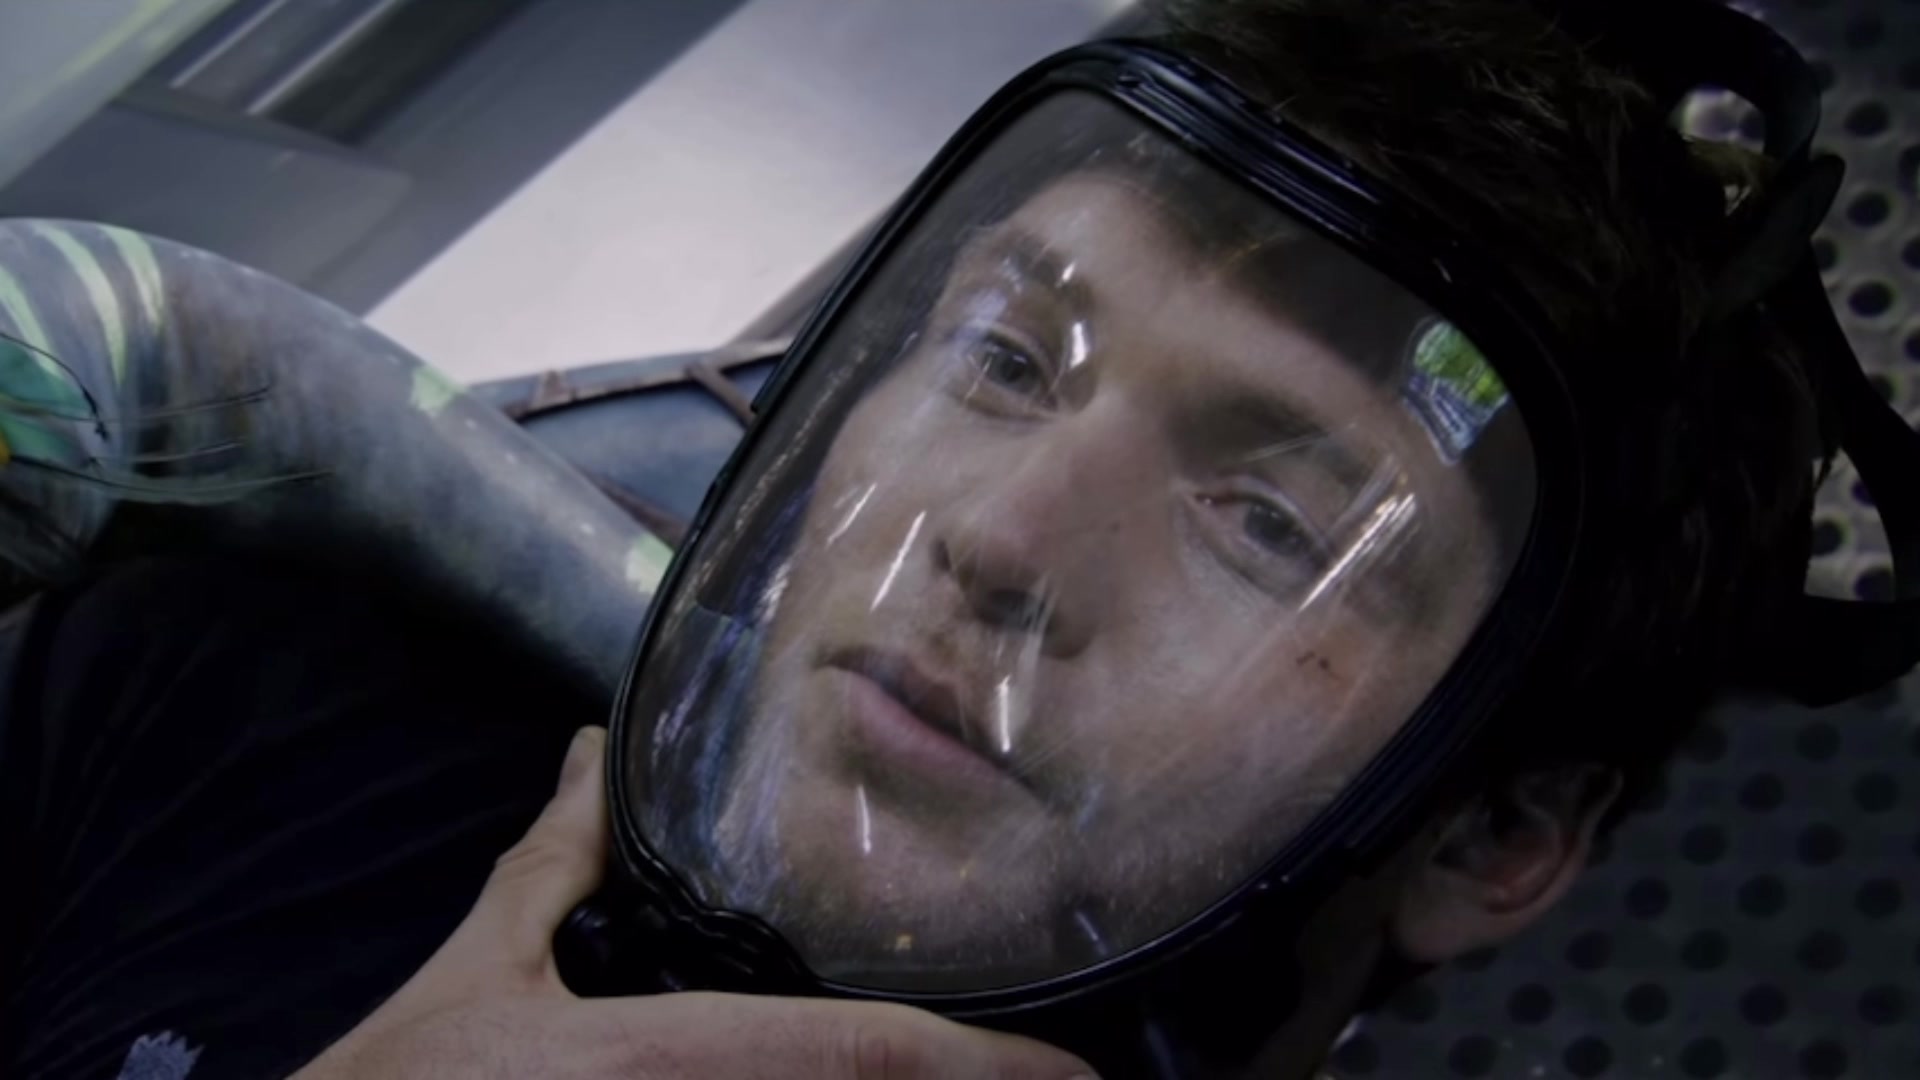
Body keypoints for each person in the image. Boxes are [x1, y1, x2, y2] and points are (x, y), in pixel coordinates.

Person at [1, 1, 1906, 1078]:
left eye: (1268, 523)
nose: (990, 536)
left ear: (1493, 839)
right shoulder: (227, 705)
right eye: (1004, 356)